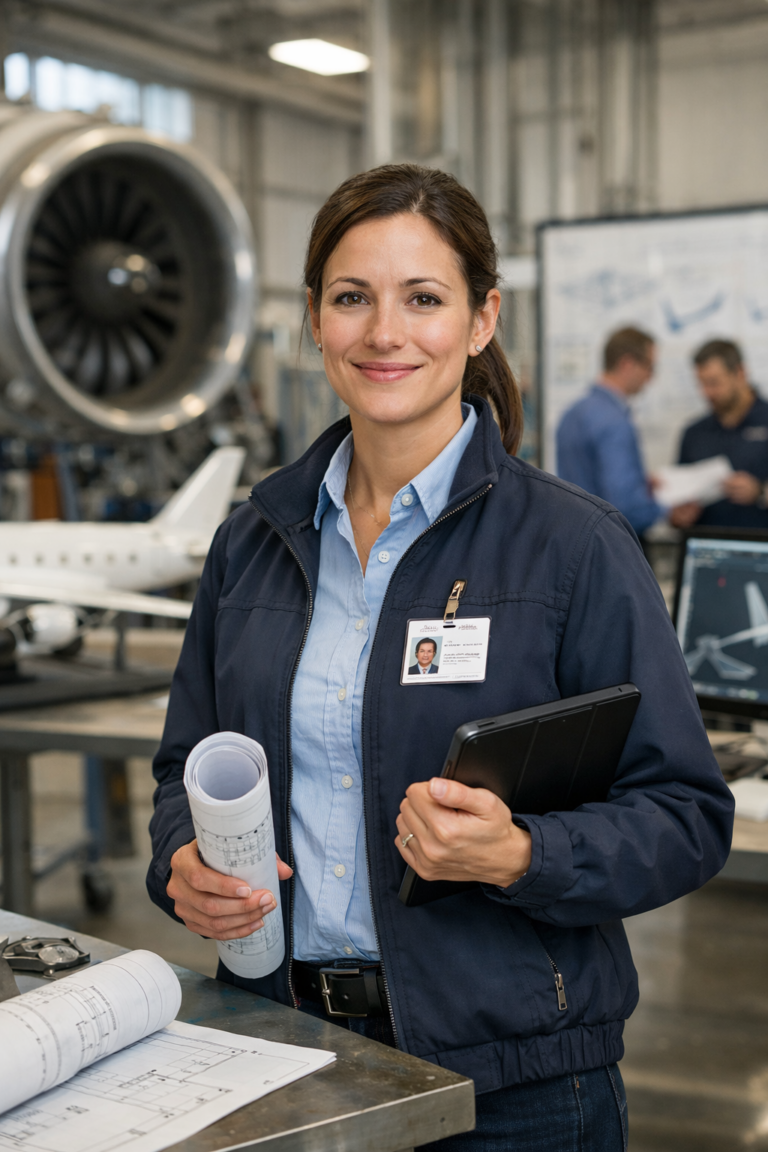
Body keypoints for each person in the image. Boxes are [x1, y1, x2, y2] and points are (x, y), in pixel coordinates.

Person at [147, 164, 733, 1152]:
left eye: (423, 298)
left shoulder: (574, 548)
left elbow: (684, 813)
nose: (384, 333)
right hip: (276, 1046)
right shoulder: (254, 539)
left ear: (480, 319)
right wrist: (180, 860)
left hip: (513, 1082)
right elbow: (182, 766)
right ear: (316, 320)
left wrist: (522, 854)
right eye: (351, 298)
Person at [556, 328, 662, 536]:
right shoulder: (615, 422)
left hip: (577, 540)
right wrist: (666, 509)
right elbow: (625, 508)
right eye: (649, 367)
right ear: (627, 363)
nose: (651, 378)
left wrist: (638, 482)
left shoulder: (571, 414)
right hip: (609, 547)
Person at [670, 339, 768, 530]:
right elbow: (677, 501)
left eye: (714, 383)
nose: (707, 392)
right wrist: (678, 515)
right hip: (703, 550)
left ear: (740, 373)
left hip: (760, 550)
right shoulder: (694, 433)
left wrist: (760, 491)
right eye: (702, 384)